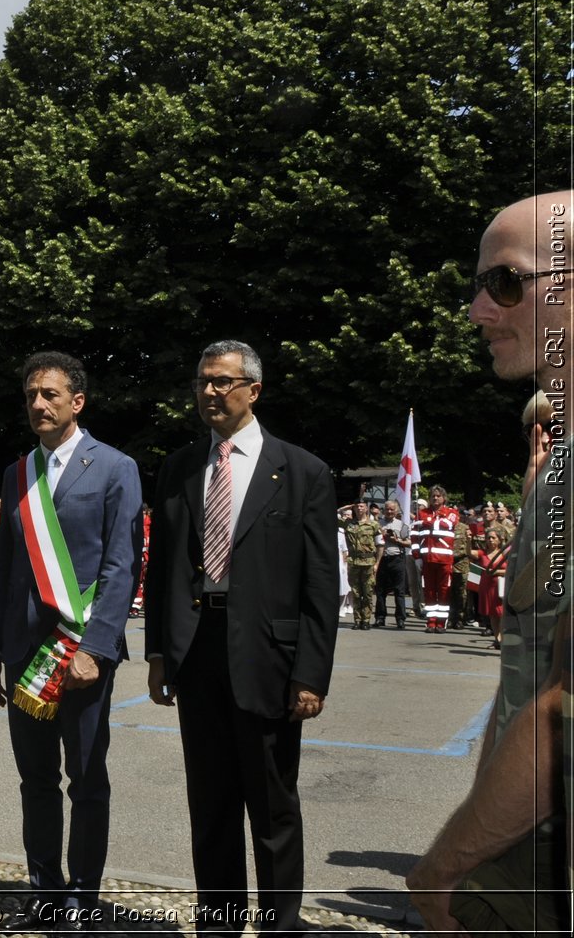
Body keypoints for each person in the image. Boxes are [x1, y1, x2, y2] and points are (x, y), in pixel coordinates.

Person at [408, 191, 574, 934]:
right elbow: (526, 682)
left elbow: (562, 712)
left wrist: (441, 869)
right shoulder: (562, 466)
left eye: (505, 282)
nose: (478, 310)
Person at [143, 340, 338, 934]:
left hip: (269, 658)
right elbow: (165, 571)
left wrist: (310, 674)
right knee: (212, 802)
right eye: (203, 381)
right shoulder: (179, 468)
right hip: (198, 651)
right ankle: (220, 923)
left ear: (253, 390)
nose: (210, 392)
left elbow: (320, 584)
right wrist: (159, 653)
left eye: (223, 382)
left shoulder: (301, 471)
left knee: (274, 804)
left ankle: (281, 924)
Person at [0, 357, 140, 932]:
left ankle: (84, 896)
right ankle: (45, 890)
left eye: (50, 394)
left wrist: (95, 649)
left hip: (82, 653)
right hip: (24, 653)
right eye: (30, 396)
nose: (38, 405)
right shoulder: (17, 472)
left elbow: (123, 567)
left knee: (87, 778)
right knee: (36, 780)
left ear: (78, 402)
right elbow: (5, 571)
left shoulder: (116, 467)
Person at [414, 485, 462, 633]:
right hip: (426, 559)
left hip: (444, 560)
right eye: (433, 496)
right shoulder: (421, 513)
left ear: (444, 498)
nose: (435, 498)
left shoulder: (452, 513)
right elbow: (414, 533)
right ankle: (431, 622)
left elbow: (446, 524)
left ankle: (441, 623)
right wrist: (417, 557)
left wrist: (427, 522)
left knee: (444, 591)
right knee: (428, 591)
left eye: (438, 496)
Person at [343, 500, 379, 631]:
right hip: (353, 561)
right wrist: (347, 506)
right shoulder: (348, 523)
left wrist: (377, 562)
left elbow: (380, 545)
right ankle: (357, 620)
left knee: (368, 592)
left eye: (361, 506)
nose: (359, 508)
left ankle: (366, 620)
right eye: (357, 506)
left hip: (368, 562)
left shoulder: (374, 524)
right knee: (356, 592)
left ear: (366, 508)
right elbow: (332, 515)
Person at [373, 500, 410, 629]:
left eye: (392, 509)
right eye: (387, 509)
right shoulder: (377, 524)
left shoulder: (402, 525)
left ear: (396, 511)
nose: (389, 512)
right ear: (384, 510)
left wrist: (396, 540)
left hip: (397, 559)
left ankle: (400, 618)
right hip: (382, 559)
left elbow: (409, 542)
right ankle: (380, 617)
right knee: (380, 591)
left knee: (399, 591)